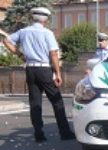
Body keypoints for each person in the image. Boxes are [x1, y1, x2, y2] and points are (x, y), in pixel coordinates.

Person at [2, 7, 75, 142]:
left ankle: (38, 133)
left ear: (33, 17)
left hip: (30, 69)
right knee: (57, 100)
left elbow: (6, 41)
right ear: (45, 20)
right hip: (44, 70)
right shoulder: (47, 33)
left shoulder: (24, 31)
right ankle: (64, 132)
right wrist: (57, 73)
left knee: (35, 102)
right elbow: (53, 54)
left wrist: (20, 54)